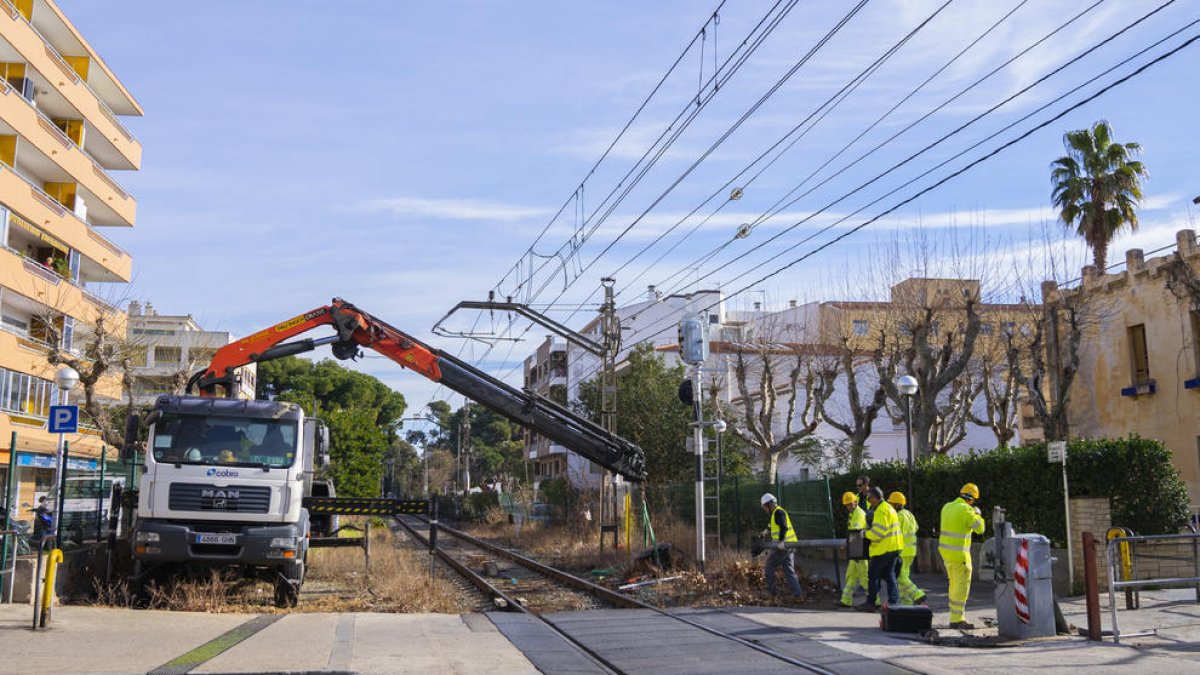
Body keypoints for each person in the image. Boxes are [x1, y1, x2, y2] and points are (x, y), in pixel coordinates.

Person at [939, 482, 986, 629]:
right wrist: (977, 514)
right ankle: (957, 619)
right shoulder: (966, 510)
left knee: (953, 585)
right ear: (972, 499)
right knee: (961, 587)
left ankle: (955, 616)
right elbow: (980, 529)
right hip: (960, 556)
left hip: (947, 554)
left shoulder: (947, 507)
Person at [857, 487, 904, 611]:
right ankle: (893, 602)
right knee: (890, 575)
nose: (869, 501)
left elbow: (878, 533)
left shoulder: (881, 511)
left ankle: (871, 603)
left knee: (873, 576)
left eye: (869, 498)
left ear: (875, 498)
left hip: (884, 550)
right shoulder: (890, 508)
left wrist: (865, 534)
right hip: (894, 548)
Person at [760, 493, 804, 599]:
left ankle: (771, 592)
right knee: (789, 570)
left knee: (769, 567)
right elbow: (774, 526)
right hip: (790, 545)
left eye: (765, 507)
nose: (765, 510)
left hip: (783, 547)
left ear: (769, 504)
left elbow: (783, 527)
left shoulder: (778, 512)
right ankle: (798, 594)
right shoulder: (776, 512)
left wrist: (780, 542)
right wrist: (766, 531)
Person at [888, 491, 926, 604]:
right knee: (904, 576)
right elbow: (916, 527)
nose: (890, 506)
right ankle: (907, 602)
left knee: (900, 577)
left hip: (902, 551)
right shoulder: (909, 514)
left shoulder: (898, 516)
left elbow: (895, 533)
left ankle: (917, 594)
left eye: (892, 504)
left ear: (897, 504)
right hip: (911, 551)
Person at [839, 491, 869, 608]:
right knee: (850, 576)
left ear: (855, 502)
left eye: (850, 504)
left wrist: (848, 544)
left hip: (859, 550)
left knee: (864, 578)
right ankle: (846, 600)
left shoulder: (859, 514)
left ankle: (874, 601)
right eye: (847, 505)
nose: (848, 507)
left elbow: (855, 531)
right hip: (856, 550)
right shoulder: (854, 514)